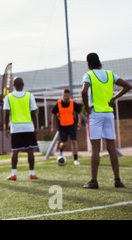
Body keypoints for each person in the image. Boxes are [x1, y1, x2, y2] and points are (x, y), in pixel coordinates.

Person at [81, 52, 131, 189]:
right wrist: (114, 98)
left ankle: (94, 181)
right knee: (111, 147)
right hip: (109, 114)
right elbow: (127, 86)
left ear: (88, 63)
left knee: (95, 148)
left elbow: (84, 92)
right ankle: (117, 180)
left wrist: (87, 108)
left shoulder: (89, 75)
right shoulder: (110, 74)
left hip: (96, 114)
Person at [3, 77, 39, 180]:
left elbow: (6, 114)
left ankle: (13, 174)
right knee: (30, 151)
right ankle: (31, 173)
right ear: (23, 84)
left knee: (15, 151)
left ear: (13, 85)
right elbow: (34, 113)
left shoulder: (8, 97)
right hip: (28, 127)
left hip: (16, 128)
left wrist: (6, 128)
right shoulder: (29, 96)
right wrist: (35, 127)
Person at [50, 88, 82, 165]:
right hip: (62, 126)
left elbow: (79, 112)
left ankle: (75, 159)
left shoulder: (72, 103)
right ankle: (60, 151)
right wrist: (52, 126)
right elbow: (54, 115)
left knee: (74, 142)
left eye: (67, 96)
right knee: (64, 143)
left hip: (71, 126)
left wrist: (79, 123)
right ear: (62, 95)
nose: (66, 97)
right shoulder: (58, 104)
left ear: (69, 96)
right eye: (64, 96)